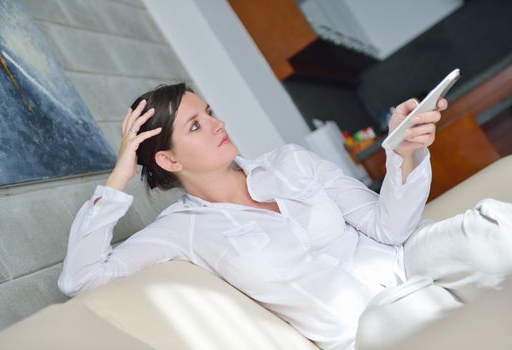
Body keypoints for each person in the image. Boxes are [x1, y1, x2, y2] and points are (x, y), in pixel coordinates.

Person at [58, 83, 512, 350]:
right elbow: (80, 279)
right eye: (196, 126)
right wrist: (119, 175)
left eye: (210, 112)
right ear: (171, 162)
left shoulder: (292, 162)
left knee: (492, 227)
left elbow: (388, 228)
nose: (218, 123)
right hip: (365, 324)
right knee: (420, 309)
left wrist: (405, 153)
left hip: (406, 261)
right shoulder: (182, 232)